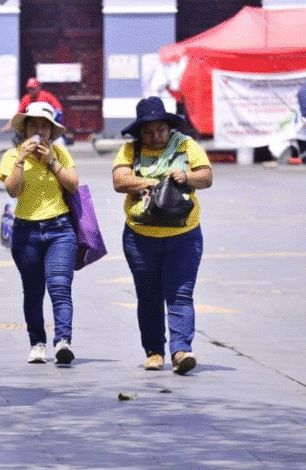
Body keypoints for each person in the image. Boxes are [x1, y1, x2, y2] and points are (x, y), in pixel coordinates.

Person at [112, 96, 212, 375]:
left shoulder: (186, 146)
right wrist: (155, 183)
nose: (155, 136)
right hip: (140, 237)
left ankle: (181, 351)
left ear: (169, 128)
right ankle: (154, 351)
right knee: (149, 295)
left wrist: (185, 177)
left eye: (160, 129)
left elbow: (205, 177)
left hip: (184, 235)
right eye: (148, 130)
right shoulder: (129, 151)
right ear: (139, 132)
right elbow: (120, 181)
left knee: (181, 294)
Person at [0, 102, 79, 365]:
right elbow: (12, 190)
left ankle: (63, 341)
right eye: (34, 124)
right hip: (26, 232)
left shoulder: (61, 154)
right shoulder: (12, 156)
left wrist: (51, 161)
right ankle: (37, 343)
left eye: (45, 125)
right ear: (25, 128)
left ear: (52, 131)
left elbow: (73, 185)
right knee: (33, 291)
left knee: (60, 286)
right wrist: (21, 159)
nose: (39, 130)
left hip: (60, 230)